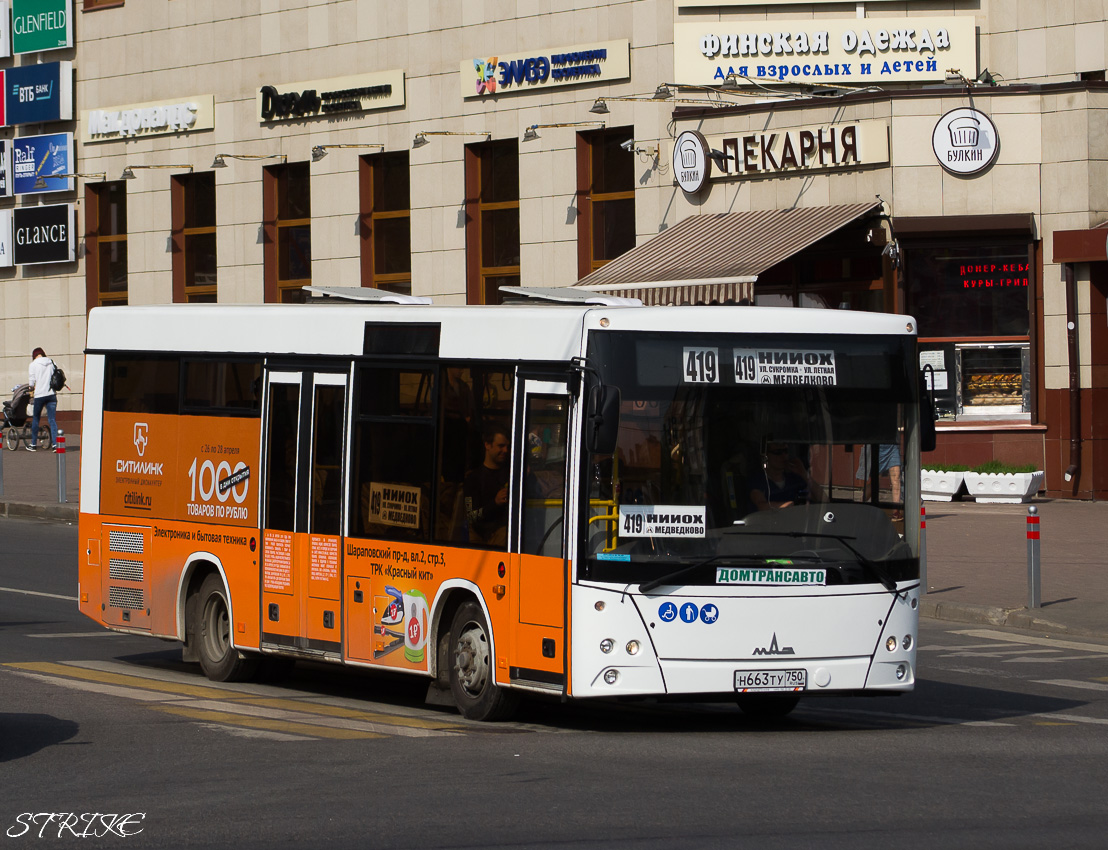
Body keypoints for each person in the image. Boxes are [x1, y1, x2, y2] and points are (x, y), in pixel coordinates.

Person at [464, 425, 510, 545]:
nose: (505, 450)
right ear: (487, 445)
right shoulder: (473, 479)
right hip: (482, 538)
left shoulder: (511, 474)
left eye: (507, 447)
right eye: (501, 446)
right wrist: (495, 503)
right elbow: (471, 516)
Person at [749, 441, 824, 511]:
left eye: (786, 451)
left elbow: (822, 499)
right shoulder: (758, 480)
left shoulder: (793, 478)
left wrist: (804, 474)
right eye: (778, 452)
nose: (783, 456)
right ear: (765, 457)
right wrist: (787, 505)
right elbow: (761, 506)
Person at [856, 443, 903, 520]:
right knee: (875, 482)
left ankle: (895, 512)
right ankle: (861, 503)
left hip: (892, 445)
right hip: (877, 445)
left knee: (896, 479)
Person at [26, 347, 59, 451]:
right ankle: (55, 445)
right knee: (52, 420)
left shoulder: (33, 365)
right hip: (51, 394)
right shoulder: (51, 362)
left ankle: (33, 445)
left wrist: (31, 387)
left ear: (34, 355)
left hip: (40, 395)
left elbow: (31, 383)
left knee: (36, 419)